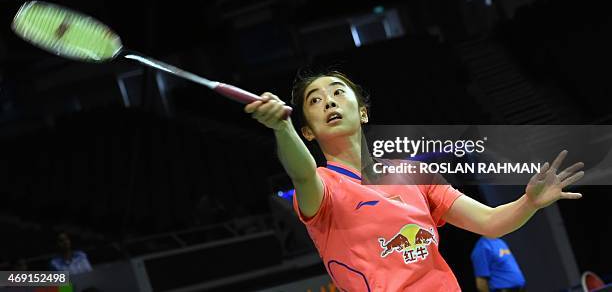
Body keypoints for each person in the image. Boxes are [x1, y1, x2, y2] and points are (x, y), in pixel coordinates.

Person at [244, 70, 584, 291]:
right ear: (307, 130)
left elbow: (490, 222)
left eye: (338, 92)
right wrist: (281, 128)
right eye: (314, 101)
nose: (329, 101)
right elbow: (301, 171)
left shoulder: (413, 172)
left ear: (363, 112)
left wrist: (530, 202)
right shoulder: (322, 187)